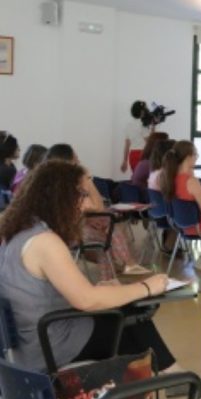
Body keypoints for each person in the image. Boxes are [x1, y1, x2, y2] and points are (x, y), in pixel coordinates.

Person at [0, 161, 177, 372]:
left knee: (127, 314)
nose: (87, 205)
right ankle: (174, 375)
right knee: (132, 318)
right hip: (50, 346)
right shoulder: (44, 241)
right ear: (61, 197)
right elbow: (86, 300)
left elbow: (45, 293)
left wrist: (102, 291)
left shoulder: (19, 231)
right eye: (83, 195)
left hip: (29, 343)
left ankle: (166, 374)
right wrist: (147, 287)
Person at [46, 143, 152, 278]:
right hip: (70, 235)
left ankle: (121, 269)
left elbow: (80, 211)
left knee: (108, 229)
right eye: (76, 159)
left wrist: (88, 219)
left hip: (60, 233)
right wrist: (87, 179)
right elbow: (98, 206)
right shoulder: (68, 187)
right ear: (67, 162)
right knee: (108, 237)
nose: (79, 162)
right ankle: (124, 268)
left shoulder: (51, 185)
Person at [159, 140, 201, 236]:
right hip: (200, 227)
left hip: (184, 229)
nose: (197, 158)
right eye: (195, 154)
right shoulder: (191, 182)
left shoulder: (170, 178)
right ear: (188, 157)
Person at [121, 100, 153, 174]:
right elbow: (149, 142)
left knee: (136, 177)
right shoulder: (143, 125)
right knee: (145, 178)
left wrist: (125, 161)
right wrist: (153, 128)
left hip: (132, 155)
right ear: (142, 111)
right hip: (143, 154)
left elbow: (127, 145)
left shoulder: (129, 125)